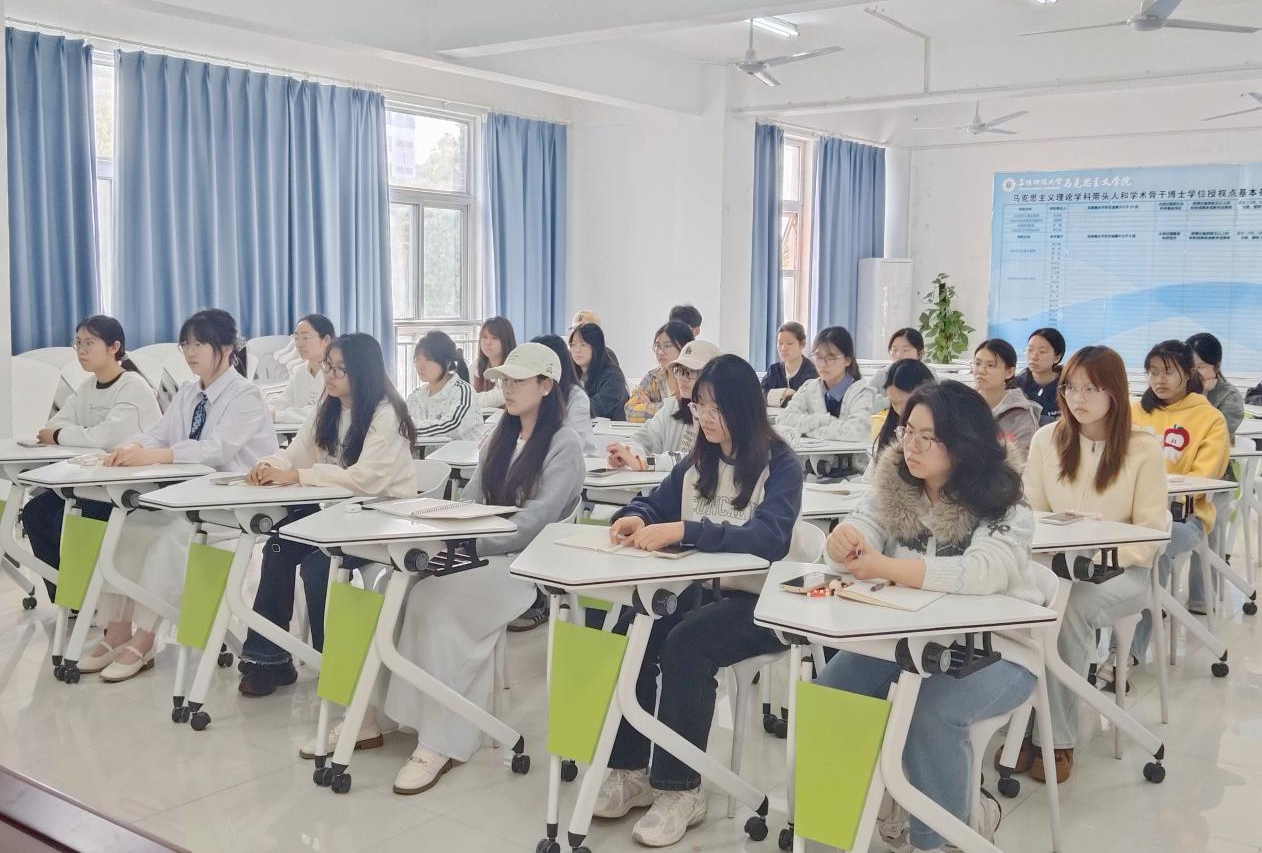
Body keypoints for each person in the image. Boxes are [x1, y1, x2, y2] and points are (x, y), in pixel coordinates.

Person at [816, 380, 1053, 852]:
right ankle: (831, 832)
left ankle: (940, 840)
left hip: (997, 650)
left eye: (929, 436)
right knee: (832, 693)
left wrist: (888, 568)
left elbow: (986, 570)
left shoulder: (1003, 498)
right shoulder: (895, 482)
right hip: (903, 641)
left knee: (931, 713)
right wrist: (844, 541)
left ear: (963, 443)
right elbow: (864, 525)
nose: (912, 445)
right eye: (908, 431)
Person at [594, 355, 802, 847]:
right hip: (700, 590)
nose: (704, 418)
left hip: (761, 603)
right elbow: (657, 501)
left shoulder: (780, 464)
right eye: (699, 406)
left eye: (715, 408)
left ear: (743, 408)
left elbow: (768, 539)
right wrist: (637, 516)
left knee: (687, 643)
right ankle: (630, 769)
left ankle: (680, 789)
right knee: (634, 626)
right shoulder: (699, 460)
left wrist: (687, 530)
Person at [379, 342, 585, 794]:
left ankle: (441, 740)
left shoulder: (564, 444)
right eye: (504, 380)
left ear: (546, 386)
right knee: (390, 587)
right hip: (476, 552)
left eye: (518, 381)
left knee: (435, 602)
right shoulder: (499, 434)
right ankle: (385, 715)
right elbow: (472, 496)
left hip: (519, 565)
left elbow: (534, 524)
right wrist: (443, 530)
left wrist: (468, 542)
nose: (507, 388)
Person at [91, 309, 278, 682]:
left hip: (233, 504)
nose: (190, 353)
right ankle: (117, 630)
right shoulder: (189, 392)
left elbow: (216, 450)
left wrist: (156, 456)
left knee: (170, 538)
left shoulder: (246, 395)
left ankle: (146, 638)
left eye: (199, 344)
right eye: (186, 344)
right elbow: (159, 433)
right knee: (129, 528)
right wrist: (131, 447)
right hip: (189, 499)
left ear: (227, 348)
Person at [238, 333, 417, 696]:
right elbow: (297, 451)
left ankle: (332, 661)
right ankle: (268, 660)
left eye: (339, 369)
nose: (329, 375)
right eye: (327, 366)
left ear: (363, 372)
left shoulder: (387, 414)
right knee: (277, 547)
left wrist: (298, 476)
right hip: (335, 515)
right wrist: (269, 465)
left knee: (319, 565)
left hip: (379, 517)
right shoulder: (328, 406)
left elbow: (365, 480)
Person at [1020, 345, 1167, 783]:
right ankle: (1020, 723)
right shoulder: (1048, 439)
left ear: (1114, 391)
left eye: (1090, 389)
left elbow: (1151, 532)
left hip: (1123, 573)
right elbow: (1030, 514)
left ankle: (1055, 738)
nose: (1076, 398)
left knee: (1068, 610)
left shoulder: (1142, 448)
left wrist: (1102, 559)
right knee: (1020, 605)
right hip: (1054, 567)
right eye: (1070, 388)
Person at [21, 316, 162, 606]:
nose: (81, 350)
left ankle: (86, 598)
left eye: (89, 343)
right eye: (78, 343)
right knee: (35, 512)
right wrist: (72, 434)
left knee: (68, 518)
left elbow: (105, 438)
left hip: (128, 486)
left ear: (114, 347)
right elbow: (55, 424)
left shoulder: (133, 386)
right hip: (90, 481)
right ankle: (70, 600)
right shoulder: (87, 387)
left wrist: (63, 435)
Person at [1131, 339, 1228, 626]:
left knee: (1153, 549)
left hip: (1185, 517)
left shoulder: (1210, 419)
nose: (1158, 380)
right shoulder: (1134, 412)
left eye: (1167, 372)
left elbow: (1201, 479)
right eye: (1153, 372)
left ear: (1187, 373)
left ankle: (1130, 647)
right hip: (1131, 515)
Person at [607, 340, 721, 472]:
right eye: (679, 370)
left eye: (692, 372)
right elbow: (642, 439)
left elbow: (697, 459)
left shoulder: (718, 416)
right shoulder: (672, 408)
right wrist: (626, 453)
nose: (683, 378)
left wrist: (645, 463)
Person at [776, 326, 876, 443]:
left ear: (847, 360)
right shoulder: (809, 387)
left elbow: (857, 432)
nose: (823, 364)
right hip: (811, 454)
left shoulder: (863, 393)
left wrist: (808, 431)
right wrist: (824, 420)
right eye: (818, 357)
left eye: (831, 358)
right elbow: (783, 420)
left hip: (850, 455)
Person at [972, 338, 1042, 459]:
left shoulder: (1020, 414)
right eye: (977, 363)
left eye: (991, 365)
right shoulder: (962, 403)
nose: (981, 371)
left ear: (1009, 372)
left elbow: (1021, 461)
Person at [406, 331, 483, 441]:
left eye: (428, 360)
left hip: (459, 452)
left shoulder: (463, 391)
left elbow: (452, 426)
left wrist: (409, 429)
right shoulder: (416, 396)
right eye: (418, 359)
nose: (420, 366)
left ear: (447, 362)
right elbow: (401, 423)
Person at [532, 333, 598, 457]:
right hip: (545, 459)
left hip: (582, 461)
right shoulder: (534, 391)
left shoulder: (576, 397)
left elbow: (575, 444)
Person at [867, 358, 935, 471]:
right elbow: (872, 473)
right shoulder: (891, 429)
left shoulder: (938, 433)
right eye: (894, 403)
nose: (900, 410)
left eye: (905, 403)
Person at [270, 314, 335, 423]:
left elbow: (322, 412)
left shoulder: (335, 373)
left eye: (305, 338)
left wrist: (277, 415)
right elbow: (285, 401)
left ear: (326, 339)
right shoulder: (300, 371)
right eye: (296, 338)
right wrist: (265, 409)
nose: (299, 344)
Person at [625, 321, 694, 423]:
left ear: (684, 347)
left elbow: (689, 411)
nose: (660, 352)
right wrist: (670, 409)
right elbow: (630, 412)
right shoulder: (652, 377)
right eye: (657, 346)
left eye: (667, 345)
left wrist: (649, 406)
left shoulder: (694, 377)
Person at [1187, 332, 1244, 441]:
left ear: (1217, 367)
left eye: (1200, 367)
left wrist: (1204, 395)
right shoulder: (1180, 388)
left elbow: (1217, 435)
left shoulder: (1230, 396)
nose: (1193, 373)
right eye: (1189, 367)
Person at [570, 322, 629, 421]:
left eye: (583, 344)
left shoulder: (613, 377)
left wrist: (565, 404)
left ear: (597, 347)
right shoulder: (572, 373)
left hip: (609, 429)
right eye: (573, 344)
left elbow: (597, 408)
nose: (577, 350)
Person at [1013, 328, 1066, 426]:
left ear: (1057, 357)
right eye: (1030, 350)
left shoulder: (1067, 385)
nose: (1033, 357)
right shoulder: (1015, 386)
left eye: (1042, 351)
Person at [760, 321, 818, 408]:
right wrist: (784, 392)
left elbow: (807, 403)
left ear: (803, 344)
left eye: (789, 343)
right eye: (780, 343)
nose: (783, 348)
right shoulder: (774, 370)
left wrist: (774, 396)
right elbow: (759, 395)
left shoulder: (812, 372)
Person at [473, 316, 516, 407]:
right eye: (484, 337)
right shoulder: (477, 365)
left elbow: (498, 397)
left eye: (494, 338)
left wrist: (466, 400)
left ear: (506, 341)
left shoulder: (513, 368)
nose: (487, 343)